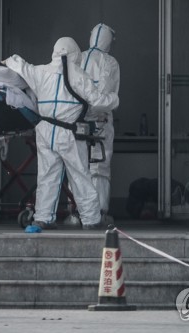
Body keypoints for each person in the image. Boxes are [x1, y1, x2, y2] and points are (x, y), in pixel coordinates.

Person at [3, 37, 119, 230]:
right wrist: (114, 99)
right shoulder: (79, 76)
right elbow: (98, 101)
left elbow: (21, 66)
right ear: (74, 53)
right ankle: (91, 220)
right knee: (80, 176)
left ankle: (43, 217)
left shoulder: (40, 71)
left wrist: (7, 60)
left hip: (45, 131)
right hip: (69, 132)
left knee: (47, 177)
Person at [81, 23, 120, 224]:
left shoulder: (78, 58)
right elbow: (106, 92)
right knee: (99, 167)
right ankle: (99, 212)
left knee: (78, 166)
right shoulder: (109, 62)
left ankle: (78, 212)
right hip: (101, 121)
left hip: (77, 122)